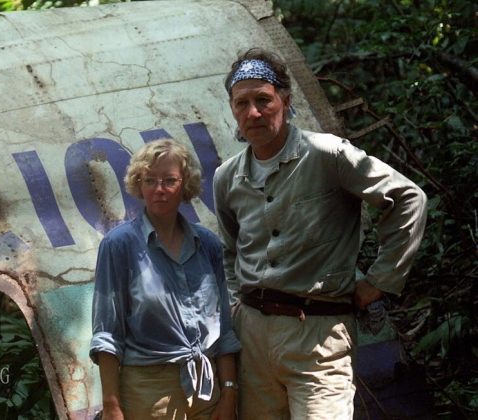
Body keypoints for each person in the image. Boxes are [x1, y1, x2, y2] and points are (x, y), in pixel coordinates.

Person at [213, 48, 427, 419]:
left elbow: (408, 198)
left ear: (285, 99)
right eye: (241, 103)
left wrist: (379, 280)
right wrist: (236, 307)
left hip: (318, 335)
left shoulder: (326, 154)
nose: (253, 113)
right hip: (253, 337)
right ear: (232, 108)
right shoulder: (227, 177)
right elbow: (231, 251)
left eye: (263, 100)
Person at [90, 139, 241, 420]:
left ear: (185, 185)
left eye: (169, 180)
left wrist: (229, 392)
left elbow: (224, 328)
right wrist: (112, 406)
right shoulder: (119, 245)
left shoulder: (207, 243)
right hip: (148, 392)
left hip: (207, 390)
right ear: (139, 184)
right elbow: (107, 335)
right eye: (150, 180)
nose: (159, 190)